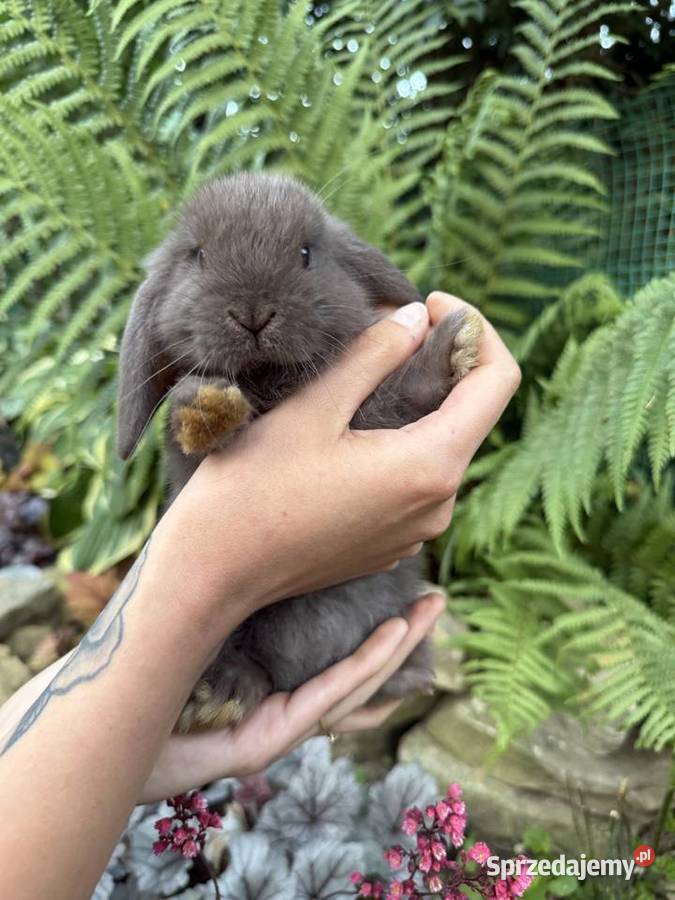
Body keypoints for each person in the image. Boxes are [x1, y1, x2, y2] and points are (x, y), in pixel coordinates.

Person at [0, 292, 520, 900]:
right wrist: (207, 578)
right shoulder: (201, 385)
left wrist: (122, 742)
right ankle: (240, 676)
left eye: (303, 253)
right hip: (249, 648)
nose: (252, 312)